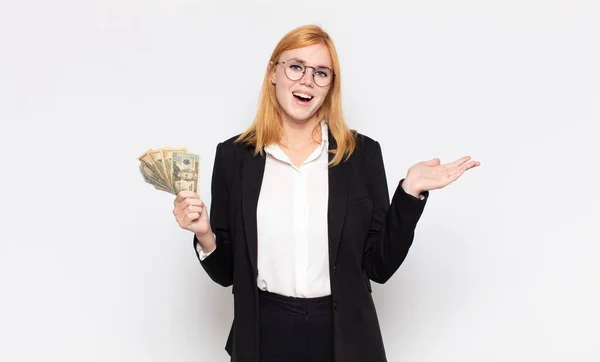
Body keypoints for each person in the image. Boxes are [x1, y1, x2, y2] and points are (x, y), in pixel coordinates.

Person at [172, 24, 480, 362]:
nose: (307, 80)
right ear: (273, 72)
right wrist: (204, 234)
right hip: (264, 334)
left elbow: (379, 266)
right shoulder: (234, 157)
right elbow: (226, 273)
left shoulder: (361, 155)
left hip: (343, 338)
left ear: (331, 86)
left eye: (321, 73)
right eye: (296, 67)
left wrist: (409, 193)